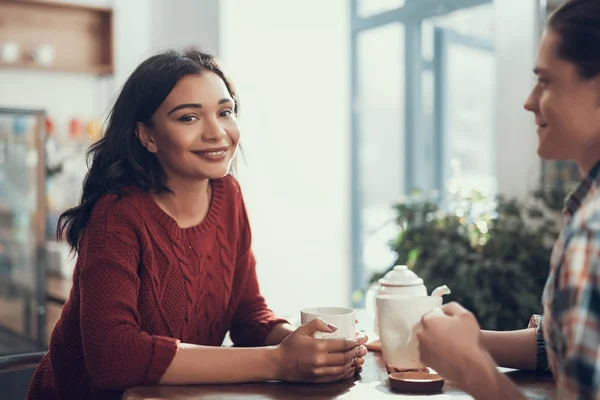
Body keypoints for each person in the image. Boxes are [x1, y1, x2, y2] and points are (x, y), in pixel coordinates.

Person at [26, 49, 367, 399]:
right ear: (148, 136)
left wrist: (312, 348)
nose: (217, 132)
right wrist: (279, 361)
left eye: (225, 112)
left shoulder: (228, 196)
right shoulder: (117, 215)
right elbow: (114, 356)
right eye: (189, 118)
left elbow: (247, 314)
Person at [416, 0, 600, 398]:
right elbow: (564, 346)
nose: (530, 101)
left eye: (546, 81)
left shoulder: (593, 231)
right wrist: (469, 340)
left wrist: (472, 368)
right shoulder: (585, 210)